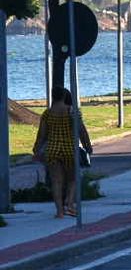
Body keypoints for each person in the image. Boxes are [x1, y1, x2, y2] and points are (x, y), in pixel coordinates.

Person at [32, 88, 92, 219]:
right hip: (70, 149)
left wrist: (36, 149)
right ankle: (70, 204)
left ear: (53, 96)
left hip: (52, 150)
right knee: (73, 178)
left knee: (56, 182)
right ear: (65, 96)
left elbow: (41, 135)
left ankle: (59, 211)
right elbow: (81, 130)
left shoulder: (47, 113)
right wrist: (88, 146)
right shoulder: (72, 111)